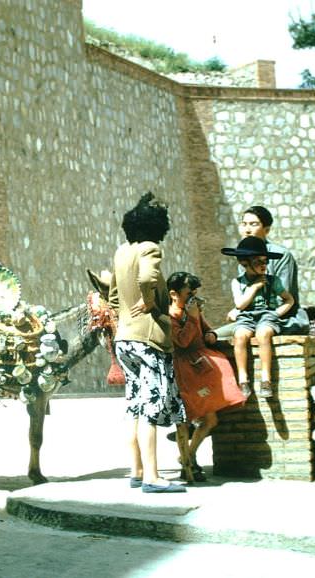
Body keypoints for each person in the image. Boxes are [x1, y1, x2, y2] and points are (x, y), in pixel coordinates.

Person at [108, 193, 189, 493]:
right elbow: (147, 278)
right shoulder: (150, 249)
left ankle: (137, 471)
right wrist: (150, 302)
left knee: (135, 406)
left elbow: (113, 297)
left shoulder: (121, 251)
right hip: (149, 339)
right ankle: (153, 477)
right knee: (151, 408)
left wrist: (126, 316)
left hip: (125, 339)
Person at [167, 271, 246, 480]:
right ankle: (188, 464)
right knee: (187, 419)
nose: (192, 297)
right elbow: (182, 341)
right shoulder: (169, 316)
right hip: (185, 371)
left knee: (210, 420)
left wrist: (210, 334)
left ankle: (188, 456)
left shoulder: (192, 311)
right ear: (174, 294)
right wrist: (192, 318)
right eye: (188, 293)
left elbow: (207, 330)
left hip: (200, 367)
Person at [215, 206, 309, 339]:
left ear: (267, 229)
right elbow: (244, 293)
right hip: (250, 318)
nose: (247, 230)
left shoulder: (281, 255)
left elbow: (282, 297)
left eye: (253, 224)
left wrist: (254, 314)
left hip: (280, 317)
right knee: (213, 337)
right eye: (244, 224)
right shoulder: (243, 254)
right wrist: (239, 310)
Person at [221, 236, 295, 398]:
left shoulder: (273, 281)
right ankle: (243, 380)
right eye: (258, 262)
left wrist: (276, 313)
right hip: (247, 316)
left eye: (265, 261)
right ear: (244, 264)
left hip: (266, 316)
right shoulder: (238, 282)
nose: (264, 265)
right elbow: (240, 305)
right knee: (240, 336)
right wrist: (253, 288)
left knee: (263, 334)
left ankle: (266, 380)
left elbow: (289, 299)